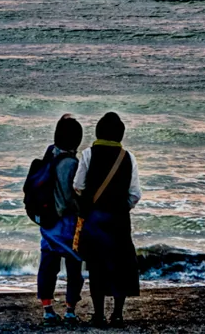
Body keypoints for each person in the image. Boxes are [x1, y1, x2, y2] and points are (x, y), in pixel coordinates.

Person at [73, 111, 141, 328]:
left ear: (98, 131)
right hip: (119, 220)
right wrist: (121, 208)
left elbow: (78, 186)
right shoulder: (128, 157)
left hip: (95, 220)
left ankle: (99, 315)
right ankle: (118, 315)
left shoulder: (88, 154)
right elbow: (135, 194)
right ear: (120, 134)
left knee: (96, 266)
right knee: (120, 265)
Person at [35, 115, 85, 326]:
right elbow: (67, 199)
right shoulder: (70, 163)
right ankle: (70, 310)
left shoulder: (49, 156)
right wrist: (82, 209)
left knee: (48, 266)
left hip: (47, 224)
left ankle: (47, 309)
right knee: (74, 266)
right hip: (66, 224)